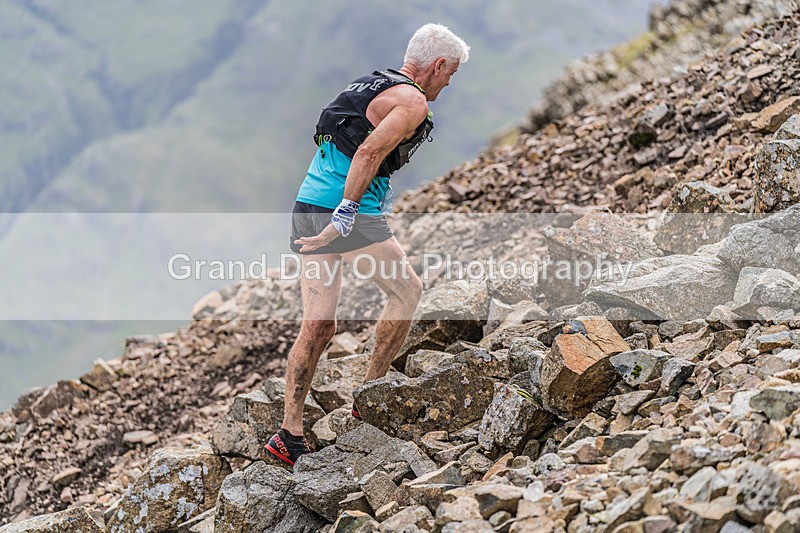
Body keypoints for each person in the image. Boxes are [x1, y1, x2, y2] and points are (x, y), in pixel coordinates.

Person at [264, 23, 470, 467]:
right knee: (407, 291)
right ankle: (370, 401)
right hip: (345, 213)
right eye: (450, 74)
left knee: (319, 325)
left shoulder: (371, 82)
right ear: (437, 65)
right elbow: (369, 153)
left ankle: (289, 434)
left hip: (306, 206)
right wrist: (347, 213)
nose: (449, 83)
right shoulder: (412, 100)